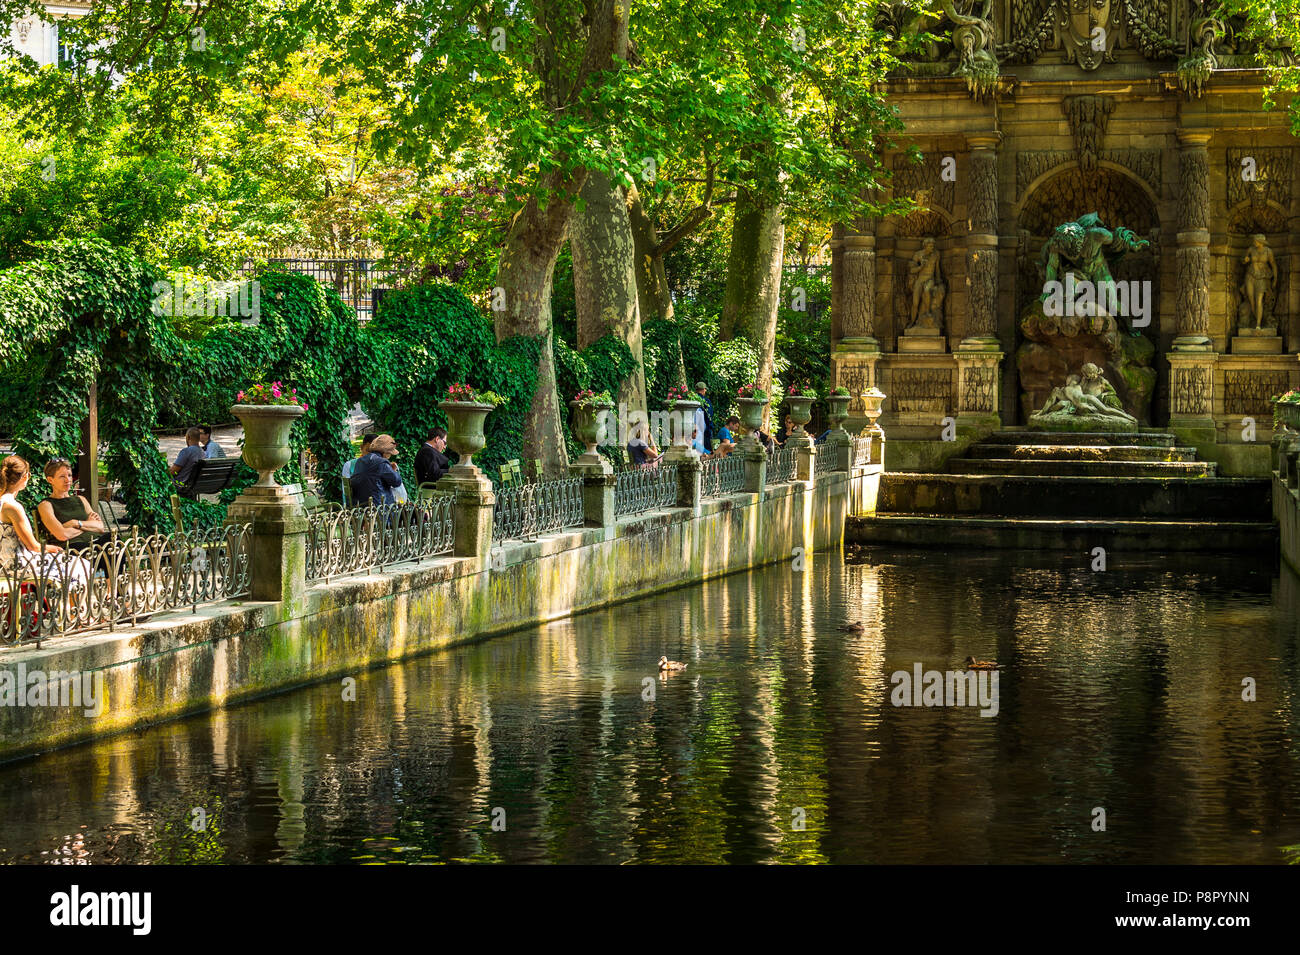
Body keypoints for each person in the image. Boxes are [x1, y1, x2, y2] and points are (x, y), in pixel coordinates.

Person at [1, 456, 90, 587]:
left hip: (4, 563)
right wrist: (51, 548)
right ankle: (72, 607)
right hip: (17, 565)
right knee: (81, 565)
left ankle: (68, 606)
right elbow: (33, 546)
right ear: (25, 477)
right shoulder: (13, 507)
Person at [36, 458, 108, 550]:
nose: (68, 480)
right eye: (62, 477)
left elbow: (100, 527)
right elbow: (62, 535)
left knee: (112, 540)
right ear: (50, 480)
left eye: (69, 475)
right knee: (94, 551)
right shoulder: (46, 505)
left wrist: (74, 523)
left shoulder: (81, 499)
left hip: (96, 541)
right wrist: (88, 525)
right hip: (74, 548)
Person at [349, 434, 404, 507]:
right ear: (385, 452)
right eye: (390, 453)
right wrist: (393, 470)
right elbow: (396, 482)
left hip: (361, 507)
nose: (390, 456)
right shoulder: (381, 462)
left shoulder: (360, 461)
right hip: (380, 508)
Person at [342, 433, 377, 504]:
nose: (371, 455)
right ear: (361, 447)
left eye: (374, 452)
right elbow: (346, 493)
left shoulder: (382, 466)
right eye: (368, 450)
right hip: (357, 507)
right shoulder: (349, 465)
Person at [695, 381, 715, 452]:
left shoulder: (692, 399)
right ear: (703, 390)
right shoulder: (706, 401)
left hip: (694, 430)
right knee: (707, 451)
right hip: (706, 430)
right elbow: (710, 414)